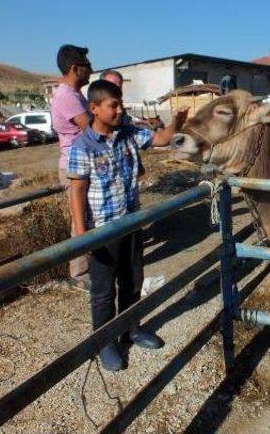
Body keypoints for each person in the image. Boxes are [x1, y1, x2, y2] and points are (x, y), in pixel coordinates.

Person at [67, 80, 187, 371]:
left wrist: (177, 123)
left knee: (132, 281)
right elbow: (77, 192)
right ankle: (105, 341)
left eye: (121, 104)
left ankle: (131, 328)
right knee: (104, 290)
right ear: (94, 108)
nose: (119, 110)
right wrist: (82, 235)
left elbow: (161, 139)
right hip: (104, 230)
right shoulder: (83, 146)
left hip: (131, 222)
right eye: (113, 105)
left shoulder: (128, 134)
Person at [51, 44, 93, 289]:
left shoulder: (75, 95)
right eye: (87, 67)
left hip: (82, 163)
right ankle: (80, 276)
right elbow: (92, 126)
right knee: (80, 220)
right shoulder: (67, 96)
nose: (91, 71)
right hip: (74, 166)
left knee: (87, 216)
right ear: (75, 69)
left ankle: (89, 268)